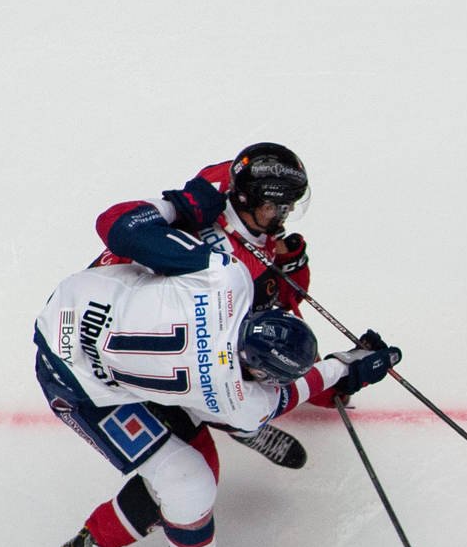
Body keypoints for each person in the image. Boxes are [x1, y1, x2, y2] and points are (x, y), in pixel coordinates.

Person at [32, 248, 400, 547]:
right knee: (186, 481)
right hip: (78, 384)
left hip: (79, 313)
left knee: (209, 424)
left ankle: (234, 431)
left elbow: (128, 234)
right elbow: (279, 397)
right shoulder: (235, 397)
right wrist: (344, 369)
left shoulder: (227, 280)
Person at [91, 143, 316, 470]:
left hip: (120, 289)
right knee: (234, 362)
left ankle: (236, 420)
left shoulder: (225, 179)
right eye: (276, 207)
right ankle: (235, 423)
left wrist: (290, 263)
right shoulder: (237, 269)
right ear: (248, 200)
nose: (284, 216)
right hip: (128, 324)